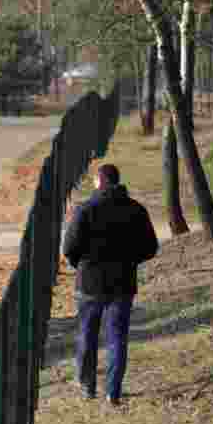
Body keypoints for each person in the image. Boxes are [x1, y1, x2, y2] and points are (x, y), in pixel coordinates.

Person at [62, 163, 159, 407]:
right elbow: (150, 247)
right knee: (117, 337)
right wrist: (131, 261)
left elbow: (69, 248)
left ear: (100, 182)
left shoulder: (85, 210)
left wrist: (80, 264)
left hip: (90, 283)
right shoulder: (136, 210)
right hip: (123, 283)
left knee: (87, 334)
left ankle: (87, 386)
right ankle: (113, 391)